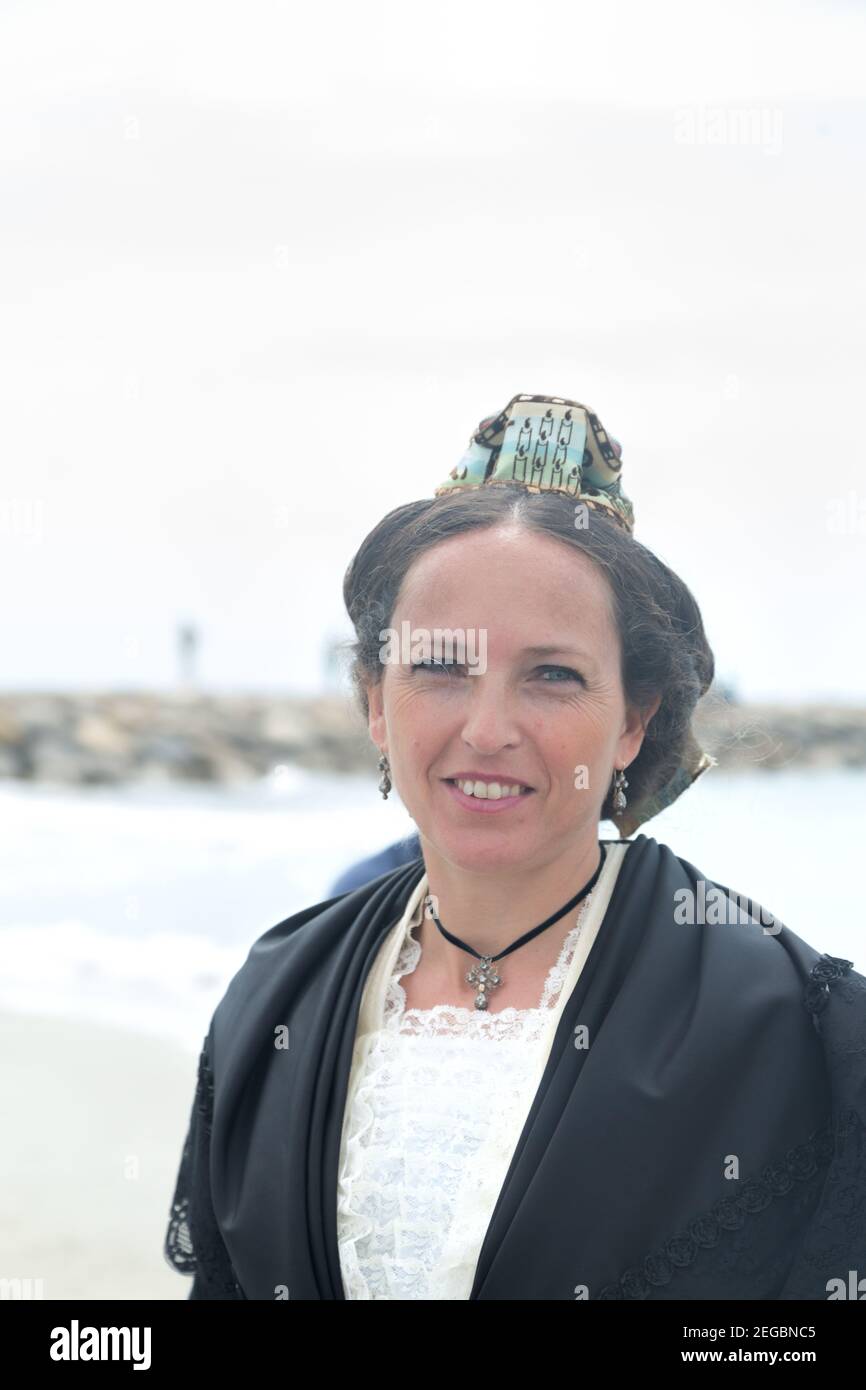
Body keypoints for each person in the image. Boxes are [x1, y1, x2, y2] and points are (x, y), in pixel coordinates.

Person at [164, 391, 866, 1300]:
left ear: (634, 721)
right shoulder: (274, 999)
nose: (488, 729)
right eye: (441, 668)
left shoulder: (793, 1031)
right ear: (377, 701)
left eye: (552, 675)